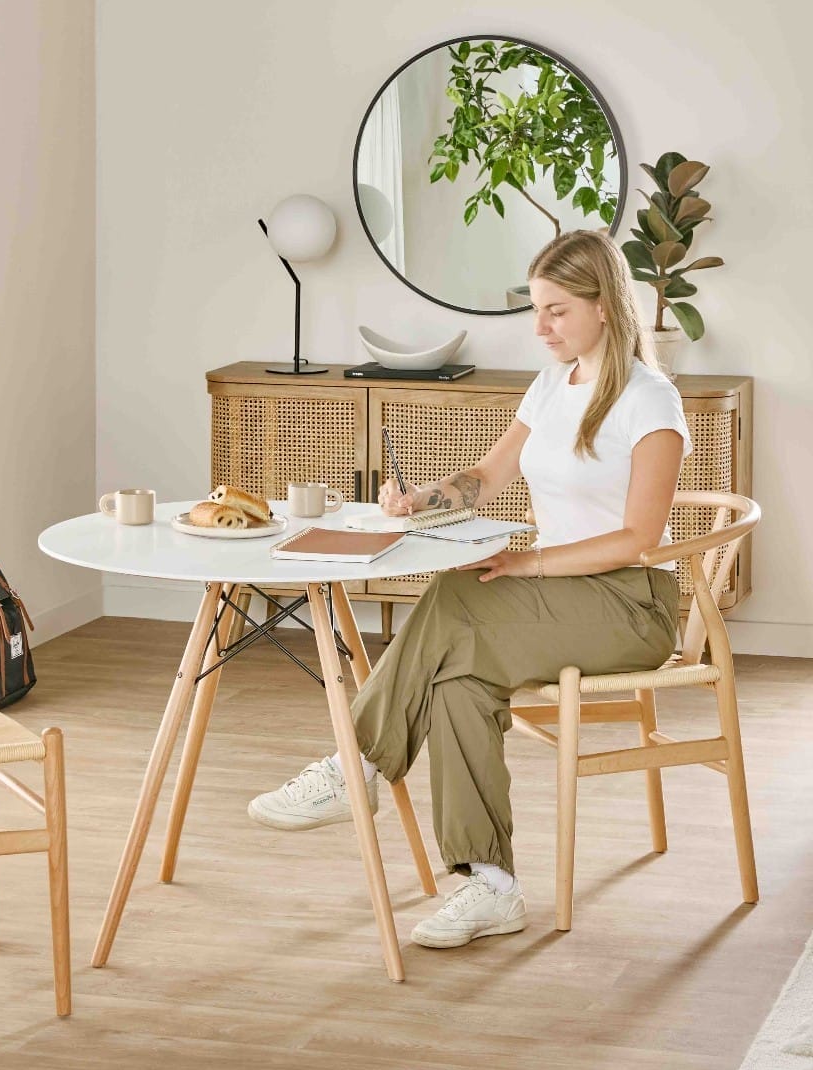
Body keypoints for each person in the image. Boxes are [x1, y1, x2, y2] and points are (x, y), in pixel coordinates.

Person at [247, 229, 691, 949]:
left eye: (556, 311)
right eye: (537, 310)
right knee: (457, 685)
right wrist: (422, 497)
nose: (540, 327)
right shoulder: (552, 386)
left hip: (629, 606)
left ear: (604, 306)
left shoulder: (651, 400)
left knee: (457, 598)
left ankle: (354, 764)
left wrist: (525, 564)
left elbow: (638, 538)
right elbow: (487, 479)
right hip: (559, 604)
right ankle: (491, 884)